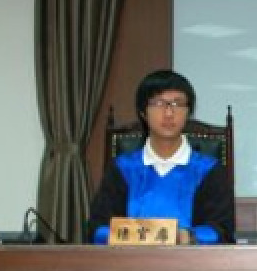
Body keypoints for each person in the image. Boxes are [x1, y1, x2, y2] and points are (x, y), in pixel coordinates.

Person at [87, 69, 235, 244]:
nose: (169, 113)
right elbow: (98, 230)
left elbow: (222, 232)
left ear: (189, 112)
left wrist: (184, 237)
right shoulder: (123, 169)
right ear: (143, 112)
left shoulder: (208, 170)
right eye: (158, 103)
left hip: (190, 260)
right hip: (131, 260)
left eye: (177, 104)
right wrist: (157, 236)